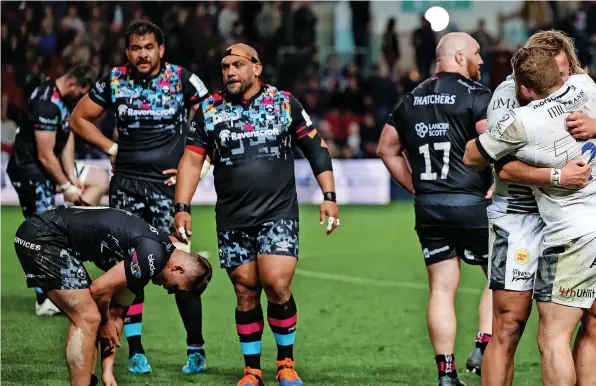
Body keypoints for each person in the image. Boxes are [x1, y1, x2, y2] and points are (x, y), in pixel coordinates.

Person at [174, 43, 339, 386]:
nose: (229, 72)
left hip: (277, 213)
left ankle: (285, 362)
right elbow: (191, 160)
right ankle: (252, 370)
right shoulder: (209, 109)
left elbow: (315, 148)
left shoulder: (283, 103)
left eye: (237, 65)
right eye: (224, 67)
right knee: (245, 291)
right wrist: (182, 207)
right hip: (233, 218)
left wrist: (329, 196)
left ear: (257, 68)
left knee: (277, 283)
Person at [70, 19, 210, 374]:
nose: (143, 54)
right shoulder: (114, 80)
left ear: (161, 50)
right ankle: (135, 350)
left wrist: (198, 166)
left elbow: (215, 119)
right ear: (128, 52)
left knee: (183, 268)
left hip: (168, 191)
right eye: (136, 48)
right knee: (130, 270)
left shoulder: (182, 80)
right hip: (127, 187)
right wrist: (110, 146)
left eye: (149, 47)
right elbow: (78, 119)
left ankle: (196, 348)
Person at [464, 30, 596, 386]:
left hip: (569, 221)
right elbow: (499, 166)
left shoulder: (582, 85)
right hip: (520, 215)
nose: (564, 80)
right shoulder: (507, 101)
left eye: (567, 70)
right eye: (558, 72)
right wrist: (555, 176)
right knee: (509, 323)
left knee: (586, 323)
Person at [376, 32, 492, 386]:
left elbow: (386, 148)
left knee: (442, 288)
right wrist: (495, 185)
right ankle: (484, 346)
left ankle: (446, 374)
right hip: (474, 205)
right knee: (499, 279)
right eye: (476, 53)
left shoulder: (411, 99)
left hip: (431, 208)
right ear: (459, 57)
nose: (481, 61)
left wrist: (416, 186)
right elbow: (495, 144)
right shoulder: (477, 96)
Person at [13, 206, 212, 386]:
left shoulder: (153, 261)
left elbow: (117, 316)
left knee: (93, 317)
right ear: (179, 269)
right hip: (42, 236)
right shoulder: (152, 255)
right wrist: (107, 322)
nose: (170, 291)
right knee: (88, 317)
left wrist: (108, 372)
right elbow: (98, 289)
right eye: (177, 288)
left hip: (51, 237)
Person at [5, 64, 110, 316]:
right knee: (40, 236)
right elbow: (44, 154)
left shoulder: (60, 96)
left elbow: (67, 136)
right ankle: (45, 299)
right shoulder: (45, 104)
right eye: (82, 93)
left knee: (99, 178)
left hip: (48, 167)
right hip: (30, 172)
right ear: (75, 85)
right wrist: (65, 185)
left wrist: (72, 178)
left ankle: (73, 241)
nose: (83, 100)